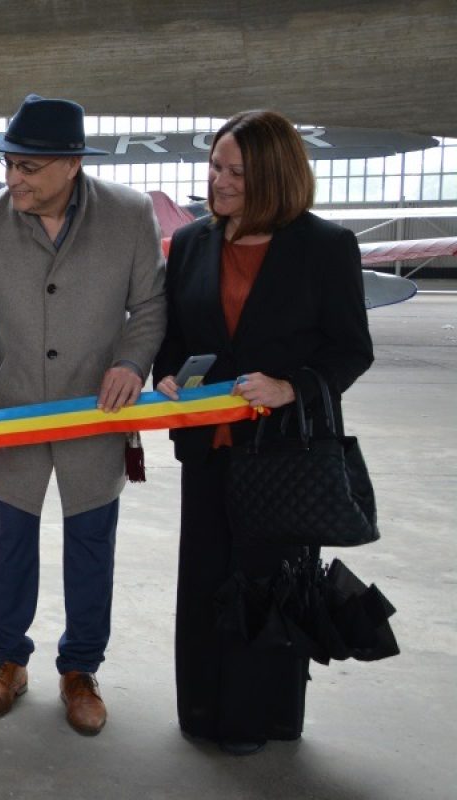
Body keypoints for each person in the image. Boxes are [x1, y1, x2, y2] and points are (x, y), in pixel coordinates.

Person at [0, 95, 166, 736]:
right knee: (12, 542)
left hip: (97, 410)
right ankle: (7, 662)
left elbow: (148, 308)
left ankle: (80, 670)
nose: (14, 180)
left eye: (29, 168)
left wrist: (132, 365)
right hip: (16, 412)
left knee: (91, 543)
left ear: (69, 165)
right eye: (10, 164)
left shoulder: (129, 214)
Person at [152, 110, 374, 756]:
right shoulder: (192, 243)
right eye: (215, 166)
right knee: (202, 582)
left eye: (234, 172)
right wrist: (167, 378)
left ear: (273, 176)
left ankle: (260, 718)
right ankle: (200, 710)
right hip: (208, 449)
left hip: (284, 456)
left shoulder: (326, 248)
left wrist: (290, 387)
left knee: (266, 585)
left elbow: (350, 350)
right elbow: (173, 342)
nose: (216, 181)